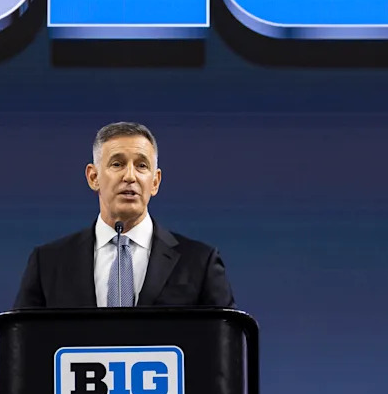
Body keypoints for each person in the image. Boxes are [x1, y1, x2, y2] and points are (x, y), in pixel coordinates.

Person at [14, 121, 235, 308]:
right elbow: (20, 348)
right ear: (93, 177)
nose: (130, 176)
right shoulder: (48, 263)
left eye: (141, 166)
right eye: (117, 164)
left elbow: (228, 349)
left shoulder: (199, 262)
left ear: (155, 181)